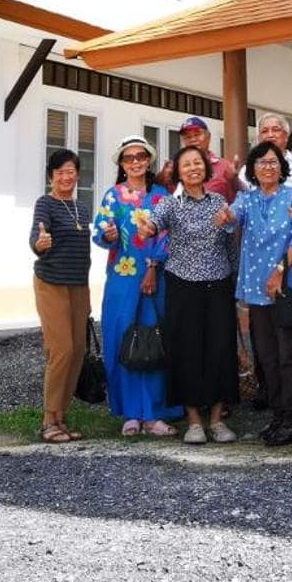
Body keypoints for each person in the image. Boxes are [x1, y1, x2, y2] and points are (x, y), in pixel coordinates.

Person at [136, 146, 239, 443]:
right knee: (186, 350)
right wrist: (146, 228)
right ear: (178, 173)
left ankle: (217, 420)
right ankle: (194, 421)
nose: (193, 168)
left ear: (206, 168)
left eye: (197, 163)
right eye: (186, 165)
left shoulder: (219, 201)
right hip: (182, 285)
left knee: (221, 349)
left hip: (219, 283)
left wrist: (235, 276)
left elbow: (231, 241)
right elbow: (154, 223)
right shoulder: (171, 203)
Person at [216, 140, 292, 446]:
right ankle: (279, 414)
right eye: (261, 162)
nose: (268, 167)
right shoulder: (248, 199)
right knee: (268, 356)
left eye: (273, 162)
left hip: (286, 285)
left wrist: (280, 270)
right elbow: (231, 217)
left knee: (289, 355)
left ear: (282, 168)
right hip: (257, 290)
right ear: (253, 169)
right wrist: (224, 217)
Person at [92, 138, 181, 437]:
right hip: (122, 279)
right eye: (128, 158)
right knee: (123, 341)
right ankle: (130, 413)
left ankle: (154, 414)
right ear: (121, 164)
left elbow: (168, 236)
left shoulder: (161, 196)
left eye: (140, 156)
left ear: (148, 160)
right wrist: (108, 235)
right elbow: (100, 232)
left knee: (155, 341)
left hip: (156, 277)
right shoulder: (113, 196)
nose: (135, 162)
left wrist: (153, 267)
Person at [29, 147, 92, 445]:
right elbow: (36, 237)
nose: (66, 177)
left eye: (70, 171)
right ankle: (47, 421)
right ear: (51, 177)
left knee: (78, 349)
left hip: (79, 285)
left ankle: (60, 417)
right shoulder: (45, 203)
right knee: (61, 349)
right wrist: (39, 244)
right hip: (51, 282)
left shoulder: (82, 208)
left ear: (77, 175)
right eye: (59, 172)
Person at [238, 112, 292, 191]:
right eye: (264, 131)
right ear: (259, 138)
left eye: (275, 130)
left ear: (286, 136)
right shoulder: (248, 169)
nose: (270, 135)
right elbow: (241, 195)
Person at [178, 115, 240, 203]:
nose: (193, 139)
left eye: (197, 134)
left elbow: (243, 198)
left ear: (208, 137)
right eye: (188, 137)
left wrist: (234, 180)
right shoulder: (177, 168)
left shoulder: (225, 166)